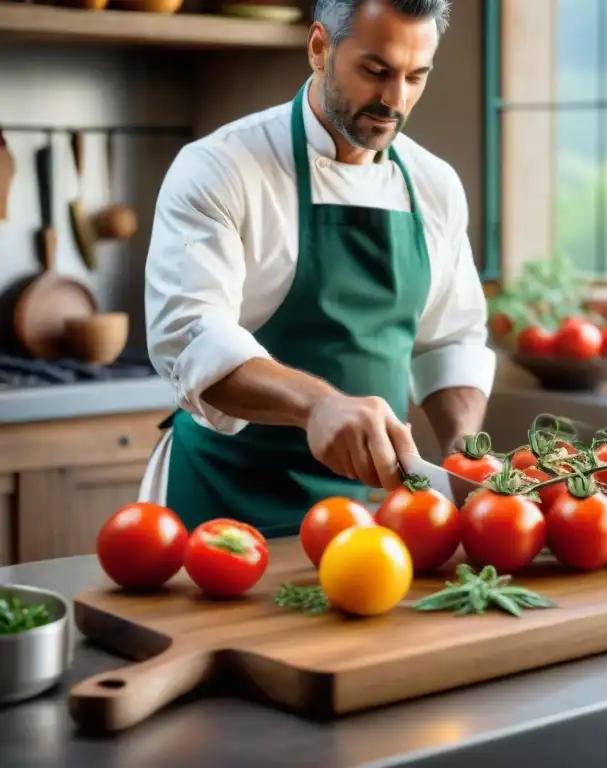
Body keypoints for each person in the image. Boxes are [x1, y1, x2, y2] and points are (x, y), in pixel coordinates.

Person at [137, 0, 495, 538]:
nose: (396, 101)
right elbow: (193, 340)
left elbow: (451, 339)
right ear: (319, 48)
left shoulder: (434, 184)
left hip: (366, 517)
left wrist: (464, 458)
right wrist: (319, 406)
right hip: (224, 505)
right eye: (376, 71)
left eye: (415, 77)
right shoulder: (220, 168)